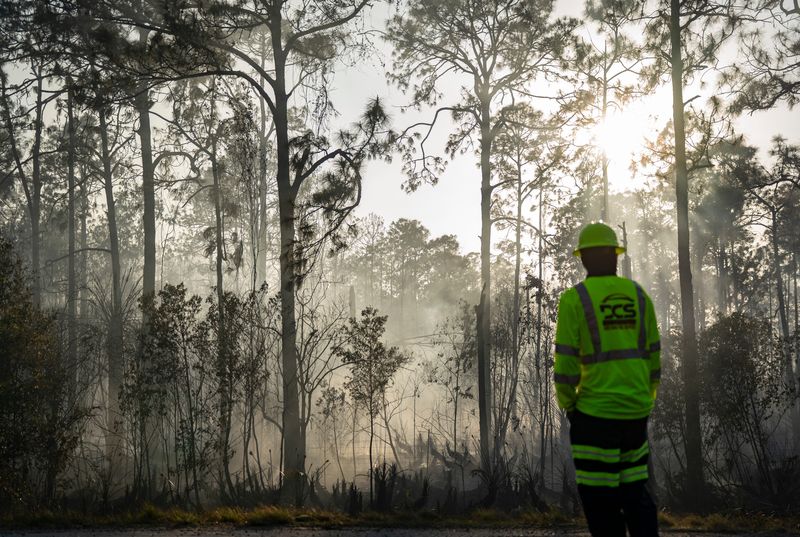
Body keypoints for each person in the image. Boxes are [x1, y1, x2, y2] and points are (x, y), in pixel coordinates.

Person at [553, 222, 661, 537]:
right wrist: (646, 399)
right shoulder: (639, 296)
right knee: (636, 495)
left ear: (583, 258)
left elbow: (566, 362)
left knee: (601, 504)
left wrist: (569, 405)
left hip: (594, 417)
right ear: (615, 255)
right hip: (635, 414)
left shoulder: (575, 299)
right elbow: (654, 355)